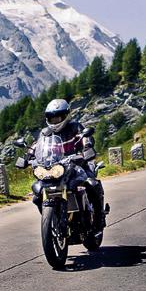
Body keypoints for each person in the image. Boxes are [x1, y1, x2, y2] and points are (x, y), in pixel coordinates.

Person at [34, 98, 106, 230]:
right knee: (37, 193)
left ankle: (98, 218)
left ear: (66, 115)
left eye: (58, 117)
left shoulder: (75, 127)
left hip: (77, 164)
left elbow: (86, 138)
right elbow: (36, 146)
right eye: (52, 118)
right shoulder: (45, 133)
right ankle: (52, 219)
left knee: (92, 184)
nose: (55, 121)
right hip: (55, 167)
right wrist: (28, 156)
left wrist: (87, 148)